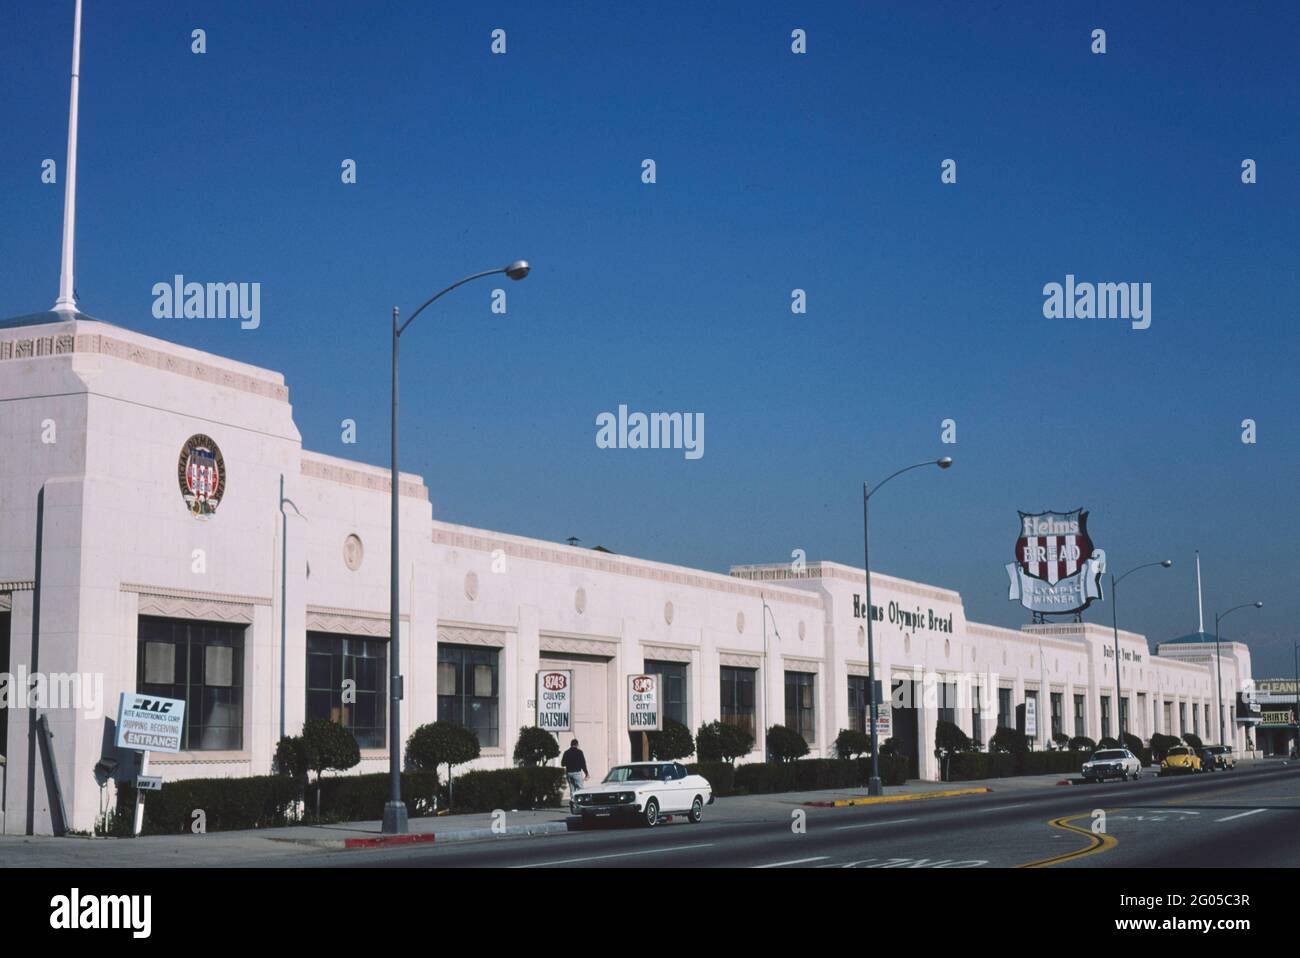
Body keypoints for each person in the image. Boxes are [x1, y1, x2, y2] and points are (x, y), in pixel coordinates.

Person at [561, 739, 589, 807]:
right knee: (580, 789)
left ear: (571, 744)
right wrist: (586, 772)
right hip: (577, 773)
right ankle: (580, 803)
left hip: (569, 773)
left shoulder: (566, 752)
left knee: (572, 789)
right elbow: (583, 763)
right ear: (576, 744)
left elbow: (563, 764)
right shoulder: (579, 752)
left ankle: (573, 802)